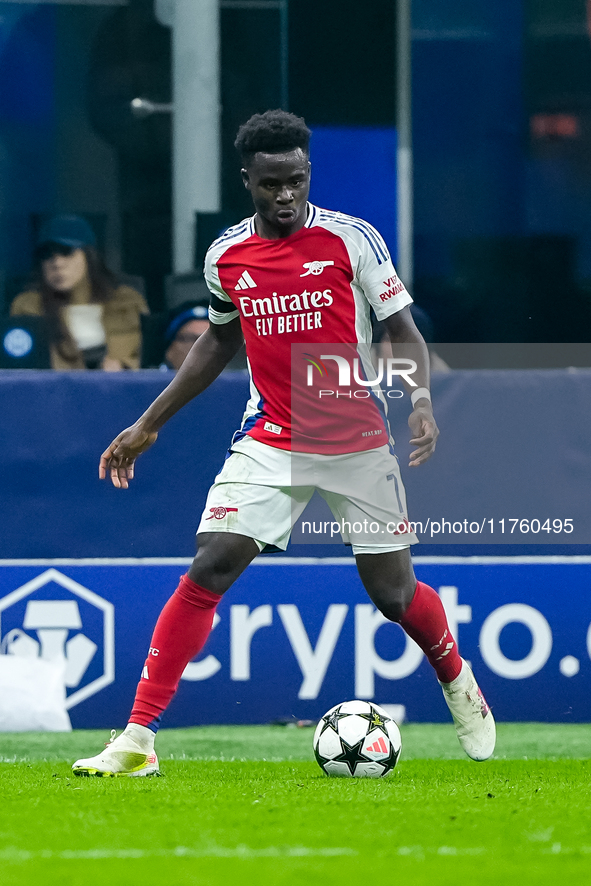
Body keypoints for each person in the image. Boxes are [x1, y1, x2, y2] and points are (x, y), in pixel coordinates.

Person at [72, 110, 495, 777]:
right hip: (270, 434)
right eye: (270, 184)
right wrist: (150, 421)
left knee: (391, 595)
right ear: (248, 180)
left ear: (307, 173)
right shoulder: (226, 255)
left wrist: (418, 401)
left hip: (355, 438)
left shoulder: (352, 240)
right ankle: (137, 738)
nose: (285, 195)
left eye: (295, 180)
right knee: (210, 565)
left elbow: (401, 329)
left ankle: (455, 678)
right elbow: (217, 339)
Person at [10, 215, 148, 370]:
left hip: (115, 390)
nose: (57, 263)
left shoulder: (125, 301)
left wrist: (122, 366)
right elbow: (23, 364)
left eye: (67, 252)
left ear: (89, 256)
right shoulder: (28, 307)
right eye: (47, 255)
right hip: (54, 391)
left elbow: (143, 356)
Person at [162, 302, 210, 370]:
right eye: (191, 338)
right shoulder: (151, 379)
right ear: (169, 349)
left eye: (209, 341)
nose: (201, 347)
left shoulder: (229, 378)